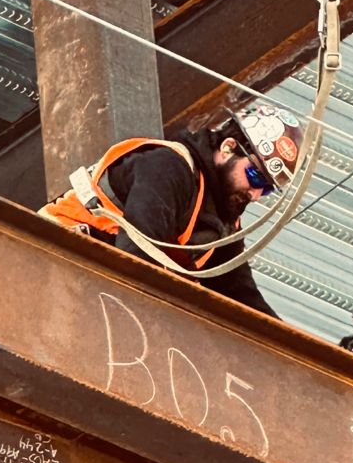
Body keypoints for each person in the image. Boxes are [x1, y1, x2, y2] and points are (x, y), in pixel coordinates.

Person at [39, 102, 303, 319]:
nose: (255, 196)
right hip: (54, 260)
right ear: (228, 148)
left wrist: (295, 349)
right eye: (256, 177)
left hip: (96, 293)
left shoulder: (223, 224)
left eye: (266, 190)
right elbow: (137, 253)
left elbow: (240, 295)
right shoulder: (169, 168)